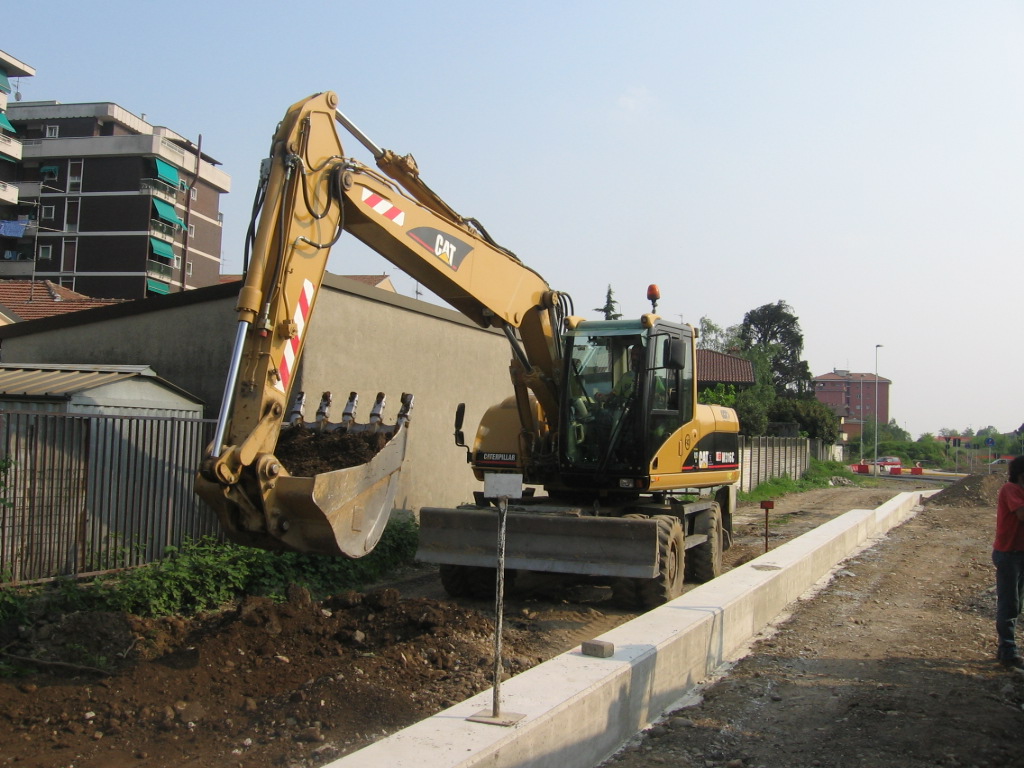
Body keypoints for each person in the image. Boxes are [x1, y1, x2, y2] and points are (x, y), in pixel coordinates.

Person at [992, 456, 1024, 669]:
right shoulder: (1010, 489)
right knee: (1009, 604)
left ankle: (1006, 648)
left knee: (1017, 604)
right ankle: (1008, 651)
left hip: (1020, 553)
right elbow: (1022, 514)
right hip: (1008, 554)